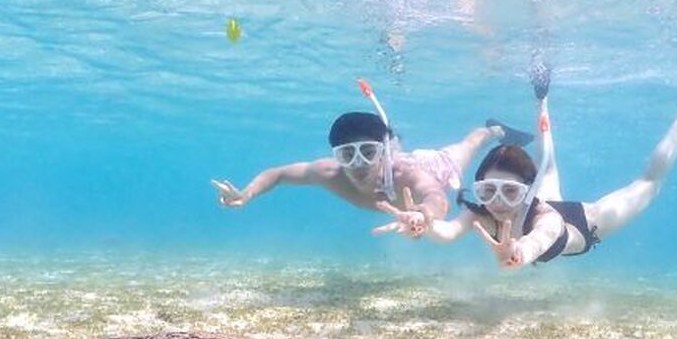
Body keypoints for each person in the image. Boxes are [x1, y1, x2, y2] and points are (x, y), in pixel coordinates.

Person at [374, 66, 677, 267]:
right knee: (547, 165)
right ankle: (541, 99)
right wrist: (423, 222)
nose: (496, 201)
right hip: (543, 200)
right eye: (488, 190)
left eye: (509, 191)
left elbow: (542, 237)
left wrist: (519, 253)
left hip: (586, 221)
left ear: (525, 191)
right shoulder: (484, 213)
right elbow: (446, 233)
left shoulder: (545, 218)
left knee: (649, 182)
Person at [211, 107, 533, 231]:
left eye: (368, 152)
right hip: (399, 158)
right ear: (336, 156)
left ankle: (494, 130)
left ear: (382, 152)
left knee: (469, 143)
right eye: (347, 154)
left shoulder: (407, 175)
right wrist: (247, 193)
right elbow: (278, 174)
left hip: (436, 164)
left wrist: (423, 214)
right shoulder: (328, 173)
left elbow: (435, 195)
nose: (358, 163)